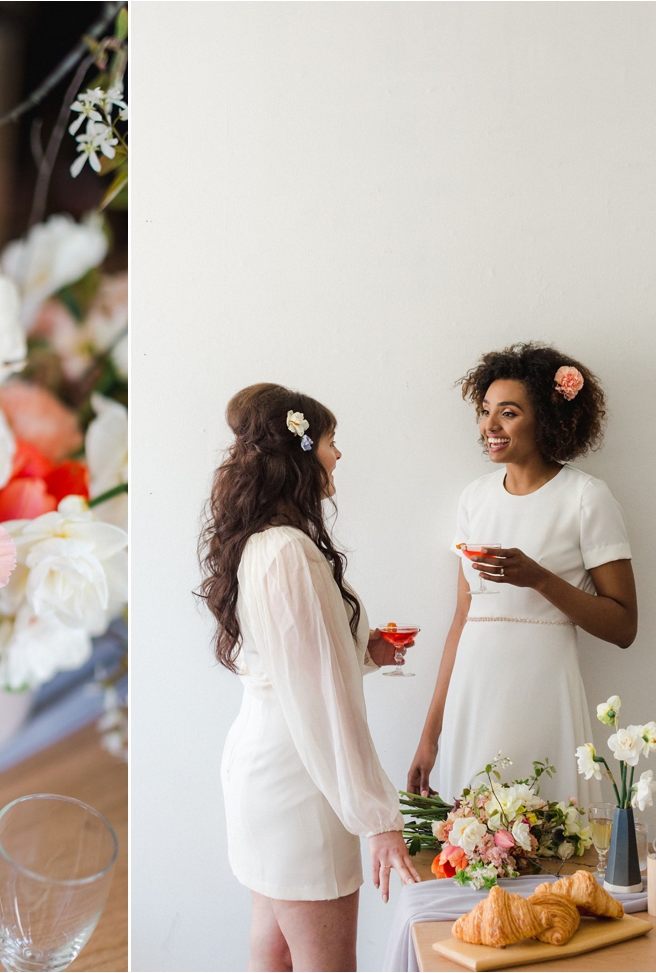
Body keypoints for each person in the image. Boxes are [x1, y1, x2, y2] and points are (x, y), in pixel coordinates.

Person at [198, 383, 419, 973]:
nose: (338, 455)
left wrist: (364, 650)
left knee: (272, 951)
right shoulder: (288, 551)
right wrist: (377, 818)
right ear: (300, 452)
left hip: (270, 769)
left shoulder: (264, 544)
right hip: (300, 782)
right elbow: (322, 701)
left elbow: (290, 665)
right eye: (330, 441)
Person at [408, 343, 637, 809]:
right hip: (474, 689)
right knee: (472, 840)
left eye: (507, 413)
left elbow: (623, 627)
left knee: (552, 831)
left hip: (543, 688)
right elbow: (462, 620)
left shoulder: (586, 498)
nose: (489, 426)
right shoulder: (474, 498)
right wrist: (430, 735)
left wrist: (539, 578)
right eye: (485, 411)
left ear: (548, 420)